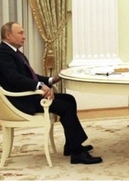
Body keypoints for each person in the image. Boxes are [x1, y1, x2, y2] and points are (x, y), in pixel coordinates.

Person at [0, 22, 102, 164]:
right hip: (20, 101)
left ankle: (71, 145)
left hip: (28, 96)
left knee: (69, 99)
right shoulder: (3, 53)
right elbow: (14, 78)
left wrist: (51, 79)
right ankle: (77, 153)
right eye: (20, 33)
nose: (24, 37)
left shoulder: (14, 52)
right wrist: (39, 86)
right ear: (8, 35)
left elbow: (29, 76)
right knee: (65, 107)